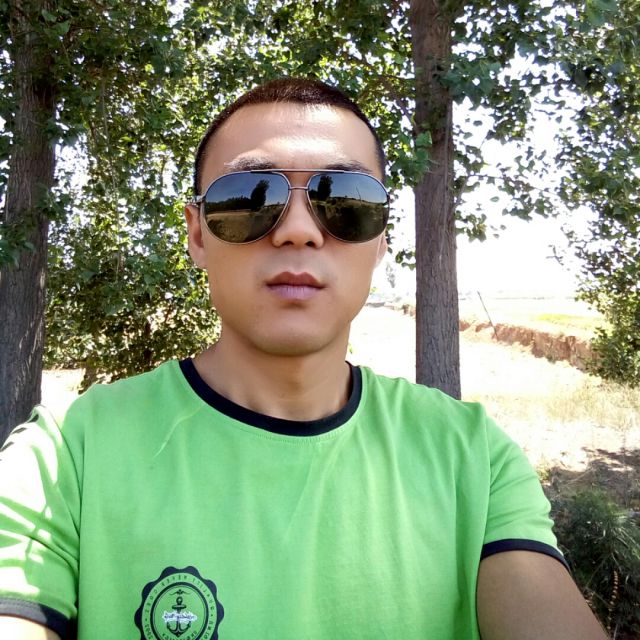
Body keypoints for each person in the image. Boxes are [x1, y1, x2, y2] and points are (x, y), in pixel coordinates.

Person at [0, 78, 607, 639]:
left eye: (344, 199)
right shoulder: (66, 456)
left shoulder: (472, 457)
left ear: (381, 241)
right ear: (198, 234)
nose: (298, 230)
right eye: (249, 196)